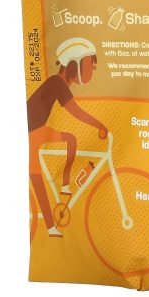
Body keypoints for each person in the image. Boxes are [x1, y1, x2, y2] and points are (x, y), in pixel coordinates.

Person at [27, 38, 107, 238]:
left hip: (39, 129)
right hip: (31, 133)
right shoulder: (56, 82)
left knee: (71, 139)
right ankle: (50, 226)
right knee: (36, 177)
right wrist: (99, 126)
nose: (92, 69)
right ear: (75, 64)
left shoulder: (58, 84)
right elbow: (76, 112)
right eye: (89, 64)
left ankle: (64, 186)